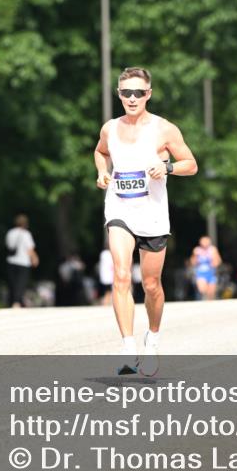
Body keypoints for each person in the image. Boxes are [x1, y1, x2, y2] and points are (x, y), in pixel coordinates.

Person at [94, 66, 198, 375]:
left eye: (139, 92)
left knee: (151, 284)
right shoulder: (109, 128)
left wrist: (166, 169)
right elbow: (100, 153)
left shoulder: (164, 129)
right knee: (122, 275)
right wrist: (101, 171)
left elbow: (191, 164)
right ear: (119, 95)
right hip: (119, 209)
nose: (132, 98)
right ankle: (128, 347)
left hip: (152, 213)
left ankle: (151, 338)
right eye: (126, 93)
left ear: (148, 94)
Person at [5, 214, 39, 308]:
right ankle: (16, 302)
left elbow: (8, 246)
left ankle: (12, 301)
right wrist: (35, 258)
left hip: (11, 261)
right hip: (23, 262)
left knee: (13, 283)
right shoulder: (26, 234)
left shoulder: (10, 233)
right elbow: (29, 249)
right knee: (21, 283)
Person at [190, 236, 221, 300]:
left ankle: (209, 303)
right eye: (203, 241)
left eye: (206, 241)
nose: (205, 243)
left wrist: (214, 261)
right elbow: (193, 262)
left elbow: (218, 261)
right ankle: (204, 298)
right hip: (201, 273)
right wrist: (195, 256)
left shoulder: (213, 250)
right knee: (202, 289)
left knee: (211, 292)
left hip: (211, 272)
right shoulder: (197, 250)